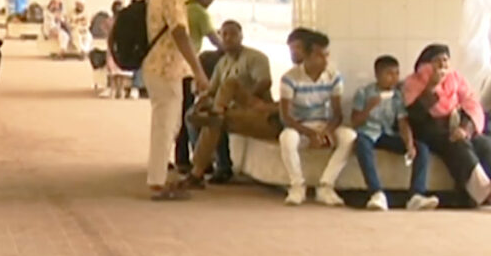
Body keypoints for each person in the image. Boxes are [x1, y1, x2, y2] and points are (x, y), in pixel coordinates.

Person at [142, 0, 210, 201]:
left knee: (168, 125)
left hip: (159, 67)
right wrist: (198, 70)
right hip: (165, 68)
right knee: (165, 125)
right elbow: (179, 33)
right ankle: (157, 183)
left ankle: (158, 177)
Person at [183, 20, 277, 188]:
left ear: (241, 36)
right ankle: (205, 165)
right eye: (224, 34)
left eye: (233, 34)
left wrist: (245, 99)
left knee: (223, 100)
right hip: (230, 109)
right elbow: (212, 90)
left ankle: (215, 168)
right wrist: (201, 101)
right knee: (197, 115)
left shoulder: (255, 57)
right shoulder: (223, 62)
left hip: (255, 110)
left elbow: (265, 82)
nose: (228, 38)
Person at [403, 44, 491, 206]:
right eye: (437, 60)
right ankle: (484, 192)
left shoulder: (455, 78)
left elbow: (471, 103)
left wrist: (465, 128)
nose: (443, 64)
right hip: (429, 129)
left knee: (484, 144)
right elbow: (414, 115)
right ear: (425, 64)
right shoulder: (412, 82)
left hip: (456, 125)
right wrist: (431, 87)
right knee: (458, 144)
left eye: (446, 60)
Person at [278, 31, 356, 206]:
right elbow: (286, 117)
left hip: (324, 124)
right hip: (300, 127)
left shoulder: (334, 77)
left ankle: (326, 186)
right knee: (286, 138)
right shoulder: (289, 78)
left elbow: (338, 114)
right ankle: (297, 186)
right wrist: (310, 134)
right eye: (319, 55)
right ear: (306, 55)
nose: (325, 60)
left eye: (326, 54)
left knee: (349, 137)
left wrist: (326, 132)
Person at [352, 55, 438, 211]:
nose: (394, 78)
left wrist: (409, 143)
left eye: (397, 73)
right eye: (389, 74)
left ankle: (416, 196)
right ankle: (376, 193)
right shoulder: (363, 92)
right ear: (378, 75)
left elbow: (402, 122)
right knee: (361, 143)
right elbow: (355, 122)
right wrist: (369, 107)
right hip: (368, 133)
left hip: (388, 134)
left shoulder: (397, 96)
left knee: (421, 148)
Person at [175, 0, 223, 174]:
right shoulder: (200, 13)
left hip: (172, 67)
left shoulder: (182, 6)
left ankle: (180, 158)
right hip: (187, 68)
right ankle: (189, 159)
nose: (211, 2)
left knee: (177, 114)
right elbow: (218, 42)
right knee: (188, 113)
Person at [457, 0, 491, 103]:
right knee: (476, 97)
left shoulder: (462, 1)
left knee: (461, 93)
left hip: (464, 55)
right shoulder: (485, 1)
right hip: (482, 55)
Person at [104, 0, 134, 99]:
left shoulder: (112, 21)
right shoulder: (113, 21)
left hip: (118, 47)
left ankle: (118, 90)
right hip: (115, 47)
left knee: (118, 71)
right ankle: (116, 90)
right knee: (115, 70)